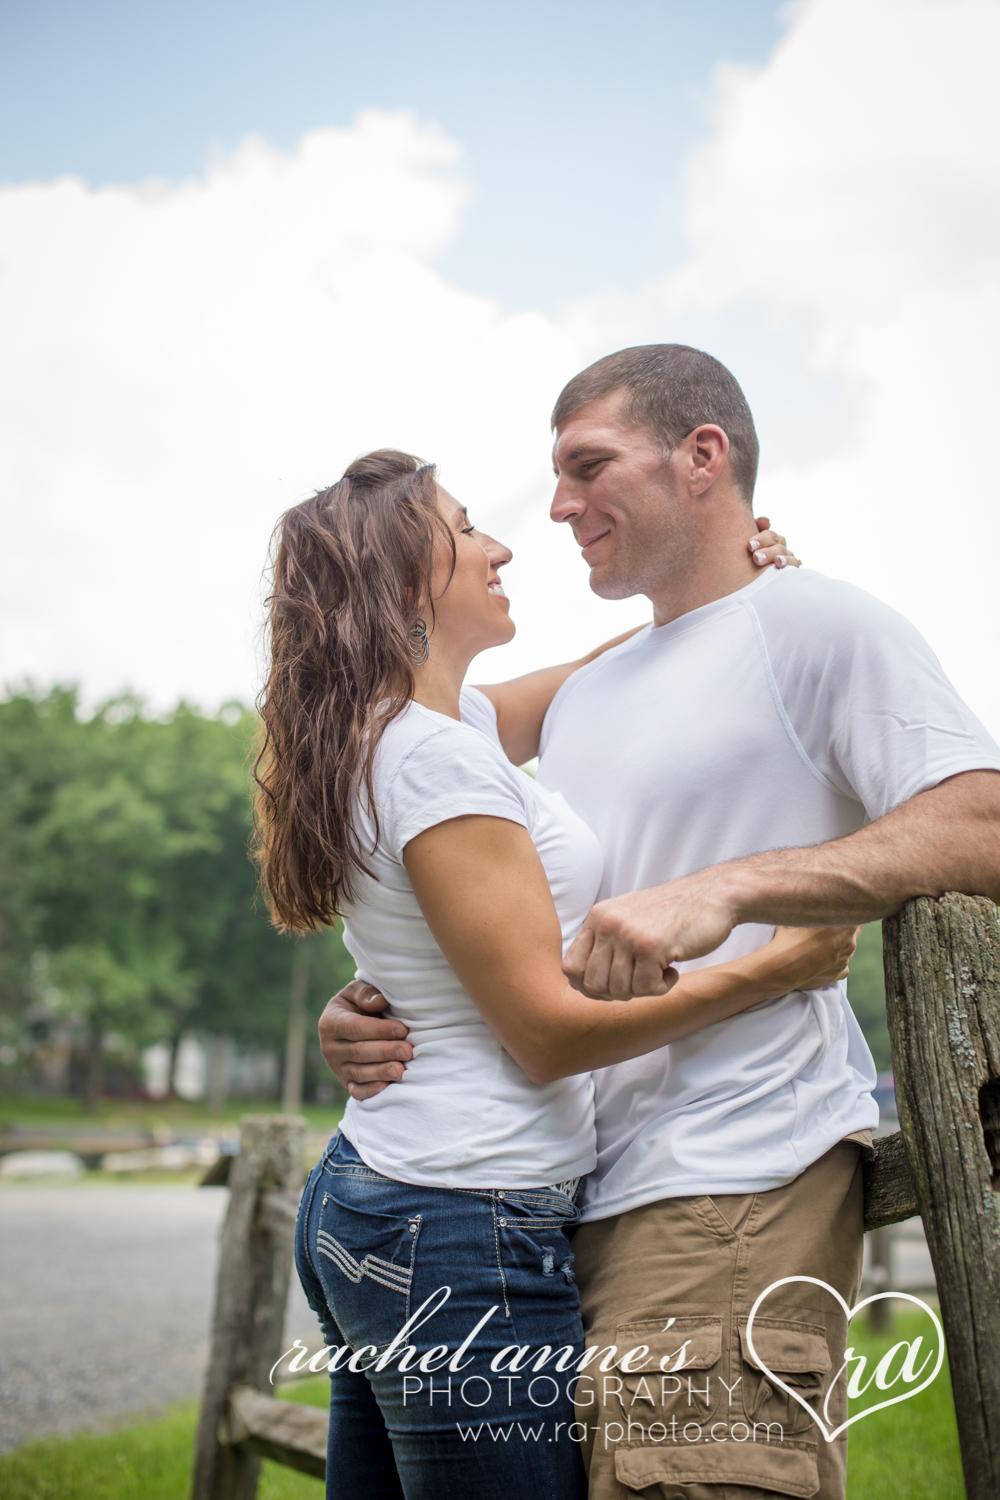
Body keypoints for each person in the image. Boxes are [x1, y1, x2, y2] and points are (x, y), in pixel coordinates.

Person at [320, 345, 1000, 1500]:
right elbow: (398, 776)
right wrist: (393, 989)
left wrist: (731, 889)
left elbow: (980, 822)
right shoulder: (589, 686)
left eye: (588, 465)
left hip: (727, 1184)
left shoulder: (821, 624)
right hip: (560, 1203)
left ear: (702, 455)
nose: (555, 506)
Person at [251, 446, 854, 1500]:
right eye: (467, 525)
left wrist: (731, 589)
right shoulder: (431, 761)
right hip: (460, 1222)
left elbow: (600, 673)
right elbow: (546, 1033)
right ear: (403, 578)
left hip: (389, 1197)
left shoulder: (423, 727)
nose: (502, 545)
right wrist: (776, 967)